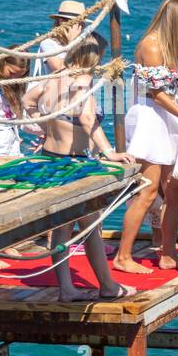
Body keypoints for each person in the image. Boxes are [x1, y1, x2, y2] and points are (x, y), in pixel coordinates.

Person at [23, 34, 139, 302]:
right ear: (96, 57)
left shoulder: (55, 76)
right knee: (90, 227)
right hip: (74, 163)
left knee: (63, 229)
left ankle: (67, 288)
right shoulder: (83, 81)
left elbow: (28, 101)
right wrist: (111, 152)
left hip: (50, 159)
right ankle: (108, 287)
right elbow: (87, 119)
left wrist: (46, 126)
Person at [114, 0, 178, 275]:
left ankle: (167, 253)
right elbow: (156, 94)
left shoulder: (172, 47)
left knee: (174, 189)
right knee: (149, 190)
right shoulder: (152, 46)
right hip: (152, 120)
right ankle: (123, 255)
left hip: (169, 119)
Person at [32, 0, 85, 78]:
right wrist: (72, 42)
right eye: (78, 23)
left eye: (82, 24)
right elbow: (61, 69)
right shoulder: (48, 43)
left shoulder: (85, 44)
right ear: (61, 22)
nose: (81, 27)